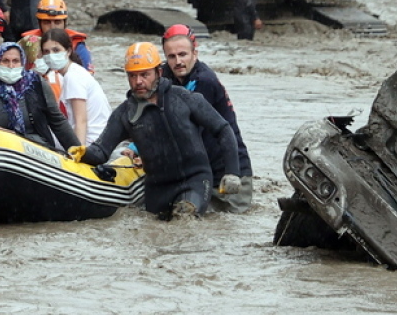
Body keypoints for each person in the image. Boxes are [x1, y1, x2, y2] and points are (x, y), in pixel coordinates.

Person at [69, 42, 241, 220]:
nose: (138, 82)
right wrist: (82, 152)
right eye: (132, 76)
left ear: (159, 72)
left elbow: (223, 129)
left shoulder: (184, 98)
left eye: (144, 74)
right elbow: (102, 151)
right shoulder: (124, 114)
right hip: (157, 189)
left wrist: (232, 172)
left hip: (194, 180)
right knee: (153, 235)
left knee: (184, 218)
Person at [162, 24, 253, 213]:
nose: (178, 61)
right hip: (201, 173)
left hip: (228, 173)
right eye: (171, 56)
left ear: (195, 53)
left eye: (183, 54)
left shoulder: (205, 81)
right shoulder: (166, 76)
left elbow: (184, 131)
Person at [0, 42, 80, 151]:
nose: (11, 66)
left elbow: (58, 121)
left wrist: (79, 150)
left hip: (36, 148)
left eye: (16, 61)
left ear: (23, 63)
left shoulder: (37, 84)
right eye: (5, 61)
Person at [39, 29, 110, 146]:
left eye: (56, 50)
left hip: (92, 141)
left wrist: (79, 153)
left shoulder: (73, 77)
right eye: (46, 52)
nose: (51, 55)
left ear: (68, 51)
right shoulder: (70, 74)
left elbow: (81, 120)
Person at [19, 0, 94, 71]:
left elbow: (87, 76)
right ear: (39, 24)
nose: (52, 27)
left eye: (57, 22)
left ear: (64, 23)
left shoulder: (78, 46)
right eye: (47, 22)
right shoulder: (28, 44)